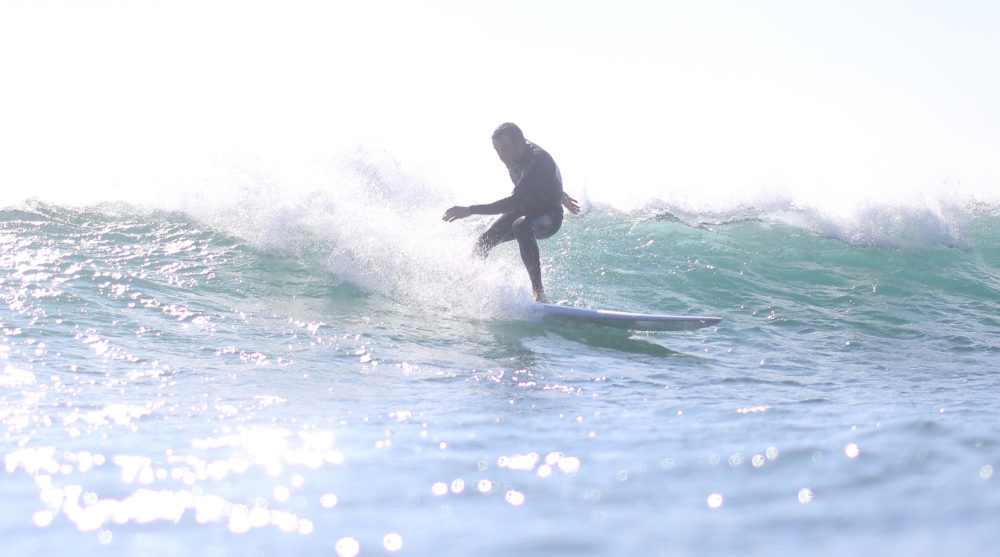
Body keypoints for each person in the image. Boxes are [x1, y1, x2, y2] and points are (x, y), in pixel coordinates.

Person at [443, 123, 580, 303]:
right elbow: (530, 184)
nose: (501, 156)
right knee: (484, 241)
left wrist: (470, 210)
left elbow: (513, 201)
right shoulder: (515, 154)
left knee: (521, 225)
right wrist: (559, 190)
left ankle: (539, 293)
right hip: (526, 208)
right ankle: (470, 288)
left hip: (549, 216)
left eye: (505, 149)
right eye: (497, 150)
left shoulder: (538, 160)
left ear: (520, 143)